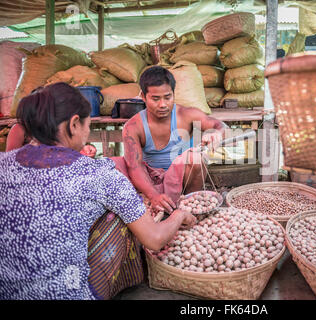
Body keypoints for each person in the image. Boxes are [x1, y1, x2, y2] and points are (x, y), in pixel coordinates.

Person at [0, 82, 196, 300]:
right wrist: (179, 215)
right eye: (88, 124)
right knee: (118, 216)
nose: (88, 130)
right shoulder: (98, 174)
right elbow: (155, 239)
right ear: (74, 124)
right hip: (66, 296)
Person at [112, 66, 227, 214]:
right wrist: (154, 196)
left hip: (183, 182)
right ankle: (156, 204)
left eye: (168, 97)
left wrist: (217, 133)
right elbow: (135, 166)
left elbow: (219, 125)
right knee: (114, 164)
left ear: (173, 94)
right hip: (151, 184)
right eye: (155, 99)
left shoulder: (186, 115)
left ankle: (190, 208)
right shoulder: (133, 126)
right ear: (143, 96)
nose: (163, 104)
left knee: (195, 159)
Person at [6, 123, 97, 158]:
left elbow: (65, 150)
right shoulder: (19, 129)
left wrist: (84, 150)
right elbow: (10, 160)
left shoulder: (54, 127)